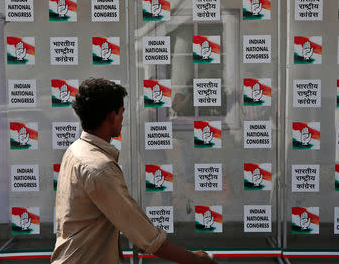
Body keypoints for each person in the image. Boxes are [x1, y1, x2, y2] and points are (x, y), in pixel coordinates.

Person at [51, 78, 217, 264]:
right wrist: (194, 259)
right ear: (111, 115)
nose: (123, 119)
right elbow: (145, 235)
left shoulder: (75, 150)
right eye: (122, 113)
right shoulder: (99, 168)